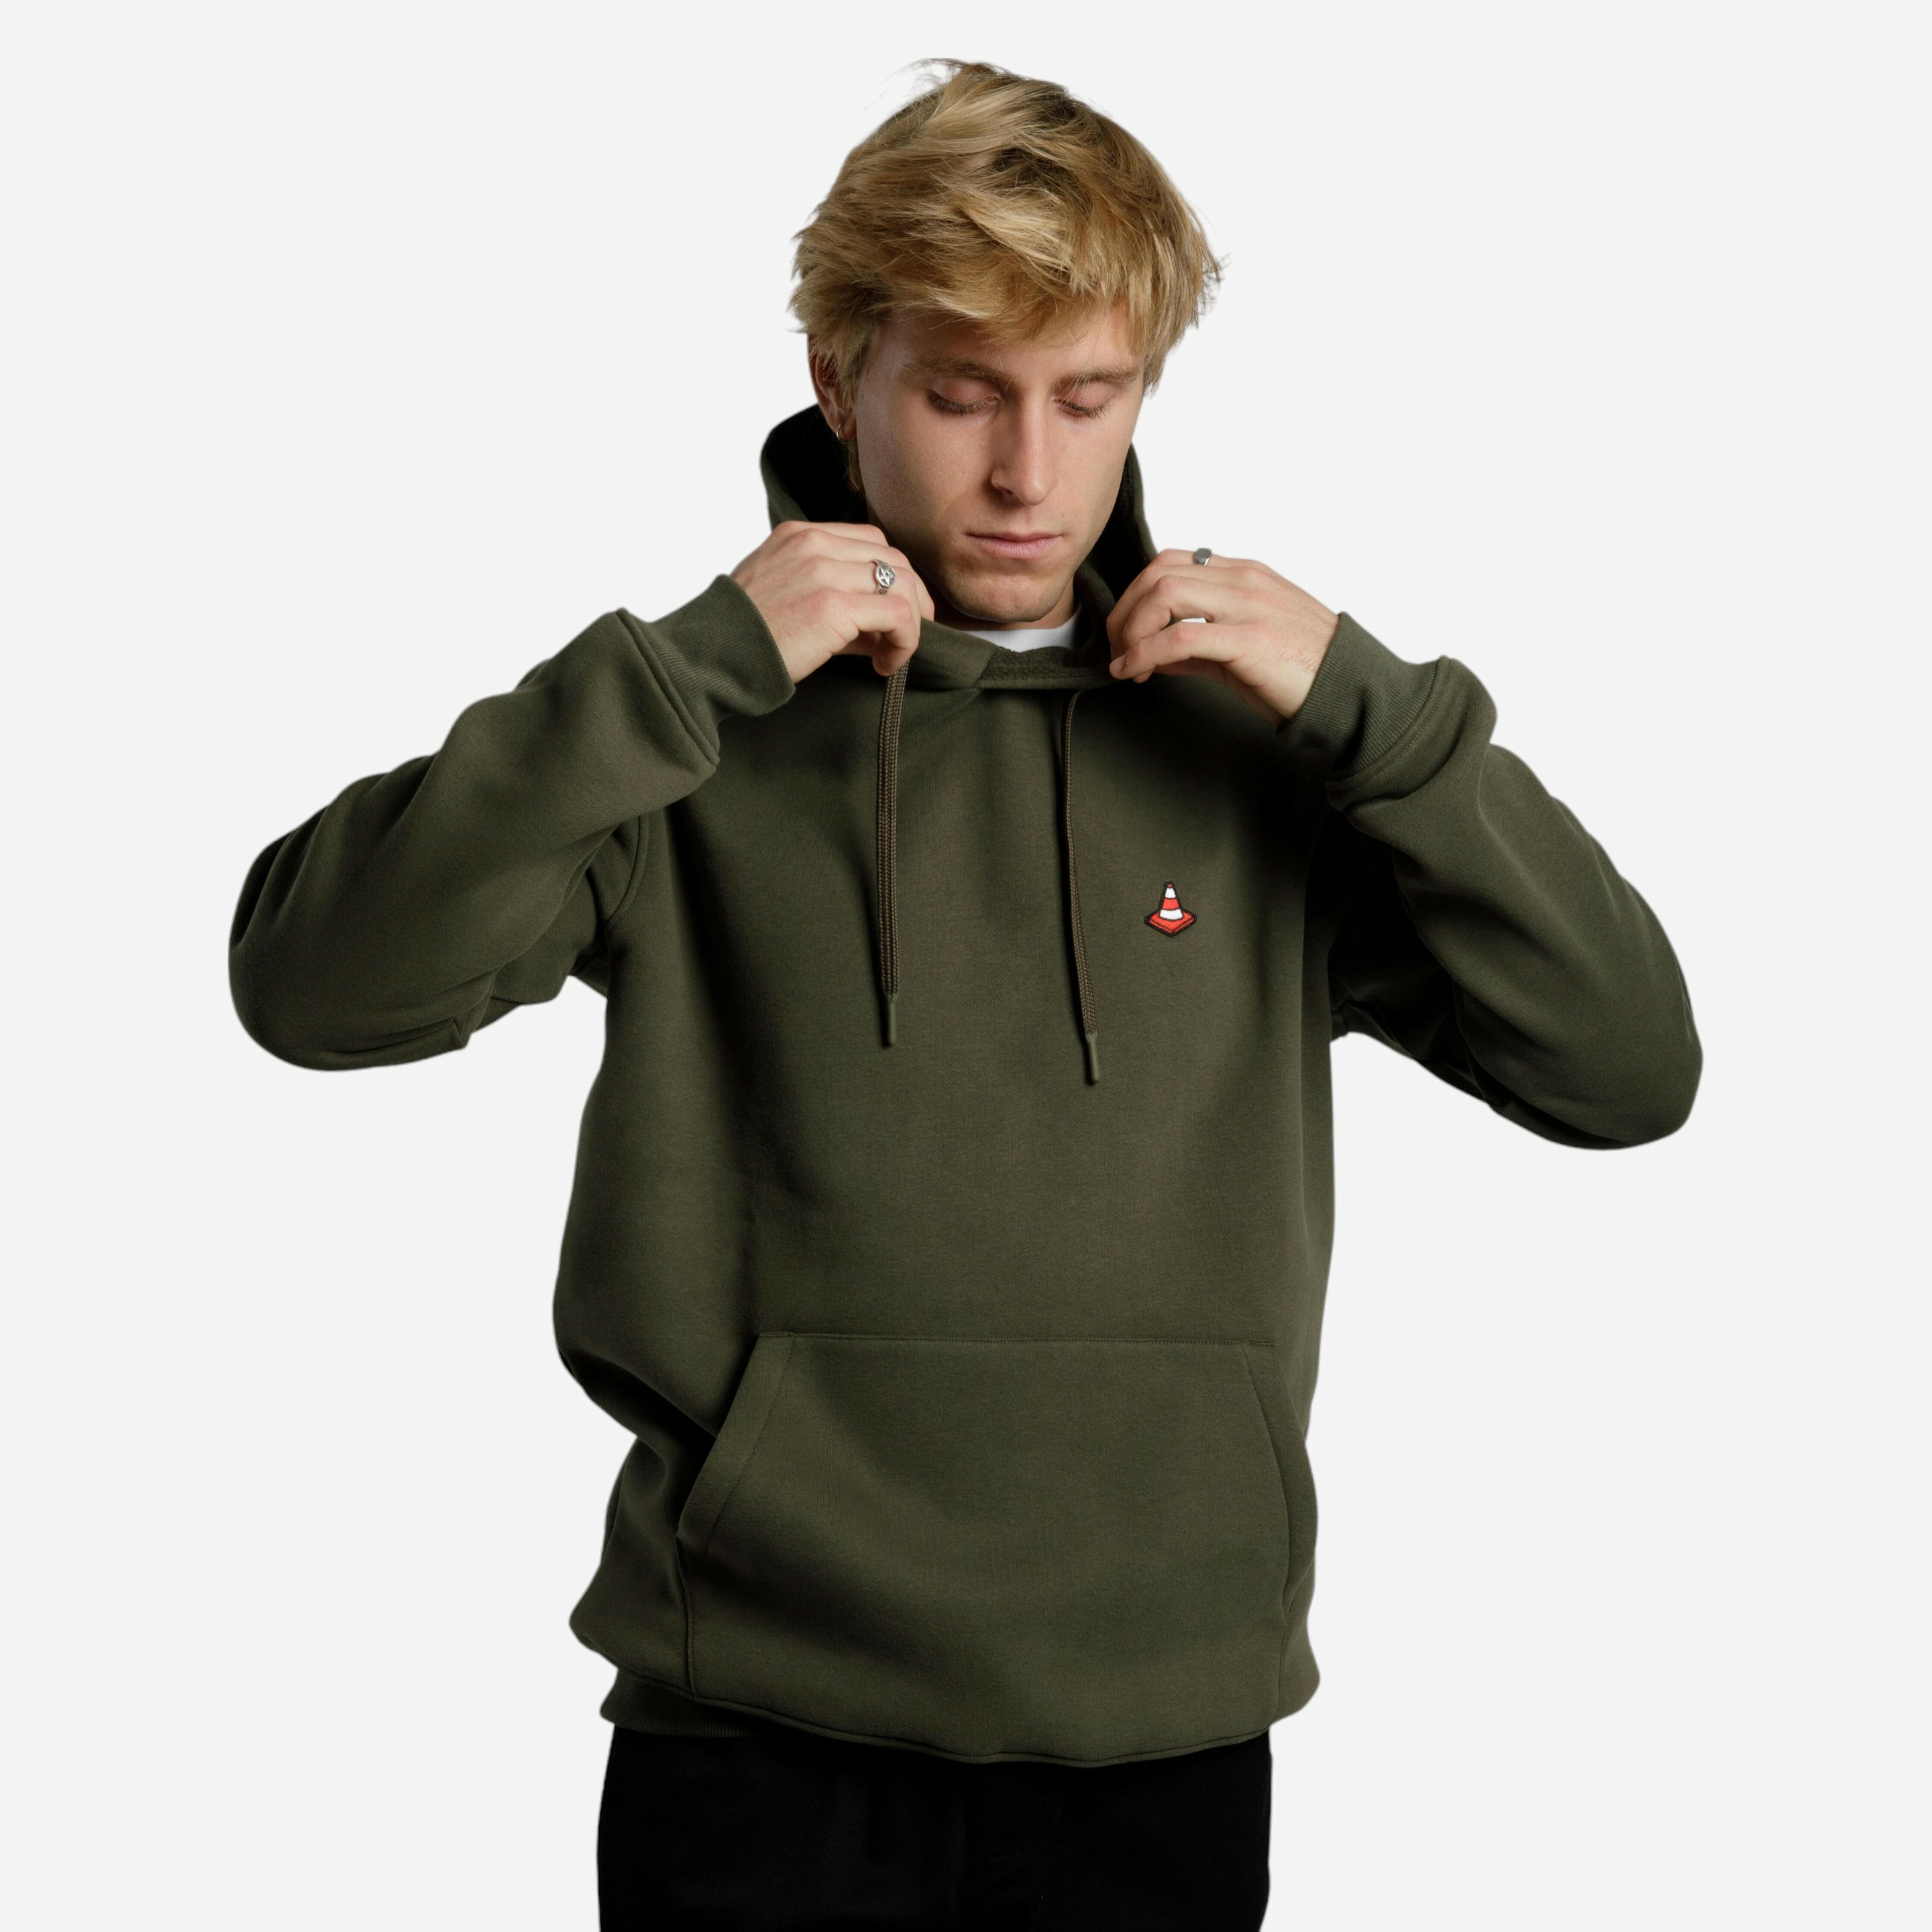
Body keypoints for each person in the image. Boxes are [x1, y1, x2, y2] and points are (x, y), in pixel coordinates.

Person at [229, 58, 1701, 1932]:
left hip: (1162, 1728)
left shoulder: (1266, 747)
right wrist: (675, 677)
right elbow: (316, 988)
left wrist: (1387, 721)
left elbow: (1625, 1070)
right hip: (752, 1730)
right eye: (960, 394)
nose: (1029, 473)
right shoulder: (687, 738)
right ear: (839, 379)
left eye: (1089, 399)